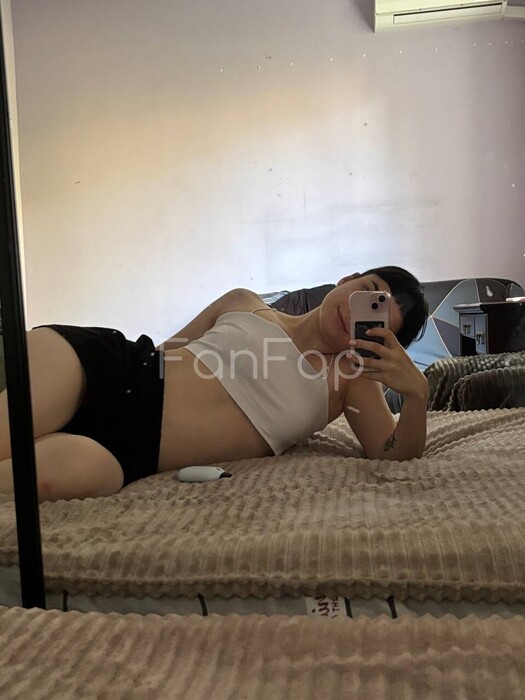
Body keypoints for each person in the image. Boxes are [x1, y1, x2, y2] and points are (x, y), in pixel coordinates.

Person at [0, 266, 429, 503]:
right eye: (368, 293)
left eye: (374, 321)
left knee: (57, 480)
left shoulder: (350, 379)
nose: (354, 313)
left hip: (132, 452)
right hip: (110, 369)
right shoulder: (244, 303)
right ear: (346, 280)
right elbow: (164, 353)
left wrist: (416, 393)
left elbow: (392, 456)